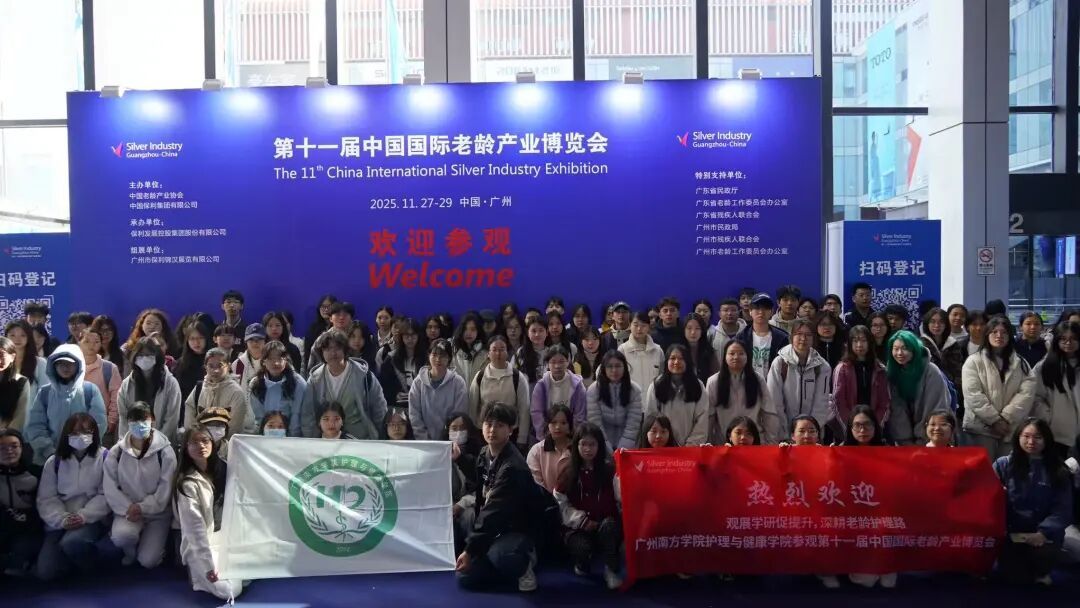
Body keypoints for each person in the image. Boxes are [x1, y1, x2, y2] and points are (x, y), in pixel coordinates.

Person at [457, 402, 539, 593]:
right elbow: (479, 480)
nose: (492, 430)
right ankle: (499, 564)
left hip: (518, 529)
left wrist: (469, 550)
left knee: (501, 556)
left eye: (500, 425)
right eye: (488, 424)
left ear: (511, 429)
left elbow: (493, 512)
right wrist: (459, 458)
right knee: (466, 577)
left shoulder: (513, 467)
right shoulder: (485, 452)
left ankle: (526, 562)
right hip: (496, 528)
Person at [993, 418, 1072, 586]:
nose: (1031, 442)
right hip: (1010, 533)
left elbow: (1063, 509)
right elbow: (987, 499)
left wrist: (1043, 532)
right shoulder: (1003, 465)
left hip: (1043, 536)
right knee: (1013, 578)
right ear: (1018, 437)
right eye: (1026, 436)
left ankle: (1044, 569)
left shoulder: (1058, 469)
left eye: (1037, 437)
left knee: (1044, 560)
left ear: (1047, 440)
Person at [35, 413, 111, 581]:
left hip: (91, 519)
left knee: (72, 543)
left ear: (94, 433)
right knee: (46, 572)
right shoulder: (53, 462)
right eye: (75, 433)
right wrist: (62, 519)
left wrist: (84, 516)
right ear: (66, 434)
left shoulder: (105, 457)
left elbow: (106, 494)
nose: (81, 437)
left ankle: (91, 568)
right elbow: (46, 499)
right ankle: (70, 561)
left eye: (86, 432)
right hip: (60, 522)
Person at [173, 425, 242, 600]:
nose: (201, 446)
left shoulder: (227, 469)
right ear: (186, 448)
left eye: (205, 440)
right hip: (205, 545)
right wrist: (208, 565)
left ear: (213, 443)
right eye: (194, 442)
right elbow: (195, 532)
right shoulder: (187, 484)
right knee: (228, 591)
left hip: (228, 539)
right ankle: (198, 574)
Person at [103, 403, 177, 568]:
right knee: (122, 537)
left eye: (144, 419)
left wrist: (143, 507)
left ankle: (154, 546)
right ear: (128, 422)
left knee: (148, 561)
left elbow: (165, 490)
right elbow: (110, 488)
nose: (139, 424)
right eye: (134, 420)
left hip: (158, 513)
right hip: (127, 511)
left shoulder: (165, 452)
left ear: (153, 420)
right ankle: (130, 551)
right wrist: (128, 508)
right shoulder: (117, 452)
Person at [554, 423, 622, 590]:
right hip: (578, 527)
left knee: (610, 527)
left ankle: (611, 570)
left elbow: (621, 498)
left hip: (605, 524)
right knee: (581, 548)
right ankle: (582, 563)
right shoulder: (568, 472)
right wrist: (582, 521)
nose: (588, 449)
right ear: (576, 445)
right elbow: (560, 504)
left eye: (592, 444)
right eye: (583, 444)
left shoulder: (610, 470)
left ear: (600, 446)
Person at [962, 317, 1036, 460]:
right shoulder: (973, 361)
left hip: (1010, 428)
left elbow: (1026, 393)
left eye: (1004, 332)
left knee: (1007, 469)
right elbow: (973, 394)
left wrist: (1006, 418)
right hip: (980, 429)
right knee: (982, 469)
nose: (999, 336)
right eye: (994, 332)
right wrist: (994, 420)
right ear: (987, 334)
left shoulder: (1021, 363)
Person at [25, 345, 107, 465]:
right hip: (50, 460)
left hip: (85, 459)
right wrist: (50, 452)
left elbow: (99, 423)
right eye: (60, 363)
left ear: (79, 365)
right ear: (53, 366)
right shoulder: (45, 393)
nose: (65, 367)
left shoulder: (89, 390)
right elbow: (36, 426)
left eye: (70, 363)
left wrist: (83, 450)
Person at [301, 329, 387, 439]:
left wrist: (379, 437)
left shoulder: (364, 375)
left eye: (337, 348)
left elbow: (379, 408)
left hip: (360, 439)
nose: (333, 353)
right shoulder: (315, 379)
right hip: (327, 440)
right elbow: (307, 414)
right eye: (328, 349)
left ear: (345, 349)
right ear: (321, 352)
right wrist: (312, 440)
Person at [768, 319, 832, 438]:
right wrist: (786, 433)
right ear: (791, 337)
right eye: (799, 334)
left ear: (814, 338)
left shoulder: (822, 366)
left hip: (812, 435)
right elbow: (775, 402)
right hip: (783, 432)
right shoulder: (780, 363)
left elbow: (821, 404)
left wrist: (810, 431)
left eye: (808, 335)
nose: (803, 338)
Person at [885, 330, 950, 446]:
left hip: (932, 438)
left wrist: (923, 438)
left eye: (905, 348)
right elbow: (897, 410)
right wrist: (904, 440)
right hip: (905, 442)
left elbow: (935, 408)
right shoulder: (892, 372)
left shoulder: (931, 371)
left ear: (914, 349)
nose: (899, 353)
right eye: (895, 349)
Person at [706, 340, 775, 444]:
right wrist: (708, 443)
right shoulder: (713, 382)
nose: (736, 357)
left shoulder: (758, 380)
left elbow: (768, 413)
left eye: (741, 353)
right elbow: (709, 417)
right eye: (731, 353)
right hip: (724, 442)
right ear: (725, 356)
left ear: (748, 356)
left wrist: (771, 441)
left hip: (753, 442)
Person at [116, 338, 182, 445]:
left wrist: (156, 445)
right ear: (134, 357)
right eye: (141, 355)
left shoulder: (171, 383)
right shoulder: (126, 385)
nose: (144, 358)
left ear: (158, 356)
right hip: (134, 444)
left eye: (148, 355)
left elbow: (171, 420)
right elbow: (123, 417)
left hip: (163, 444)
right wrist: (127, 444)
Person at [468, 336, 531, 446]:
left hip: (510, 433)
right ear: (488, 353)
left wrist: (522, 437)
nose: (498, 353)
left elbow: (524, 410)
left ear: (507, 352)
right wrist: (472, 435)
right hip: (485, 433)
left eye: (502, 349)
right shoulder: (480, 376)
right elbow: (472, 408)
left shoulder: (517, 377)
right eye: (494, 350)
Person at [831, 326, 890, 440]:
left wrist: (874, 426)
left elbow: (884, 402)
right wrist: (852, 427)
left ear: (870, 343)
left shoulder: (880, 368)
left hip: (873, 428)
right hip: (848, 429)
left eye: (863, 341)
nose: (859, 345)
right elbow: (838, 401)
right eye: (855, 341)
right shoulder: (842, 368)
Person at [643, 344, 709, 446]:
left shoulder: (698, 386)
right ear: (667, 361)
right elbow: (650, 419)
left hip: (691, 448)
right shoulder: (656, 385)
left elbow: (702, 420)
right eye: (672, 358)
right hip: (663, 446)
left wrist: (690, 445)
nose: (676, 362)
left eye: (681, 358)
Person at [1032, 321, 1080, 458]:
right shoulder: (1044, 366)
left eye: (1073, 338)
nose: (1068, 343)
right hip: (1056, 434)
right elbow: (1035, 397)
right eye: (1063, 339)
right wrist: (1049, 417)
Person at [183, 347, 253, 437]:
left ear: (228, 366)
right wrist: (195, 436)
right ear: (205, 367)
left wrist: (216, 441)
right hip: (200, 441)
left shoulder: (236, 392)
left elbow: (234, 426)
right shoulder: (199, 388)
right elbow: (189, 415)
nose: (215, 370)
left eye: (220, 366)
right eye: (211, 366)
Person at [0, 428, 42, 576]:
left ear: (22, 448)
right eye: (2, 448)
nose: (9, 451)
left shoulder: (36, 473)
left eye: (14, 446)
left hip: (29, 530)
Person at [409, 339, 468, 441]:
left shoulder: (458, 383)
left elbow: (459, 414)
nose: (438, 359)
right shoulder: (418, 382)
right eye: (434, 354)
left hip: (450, 442)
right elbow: (414, 414)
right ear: (429, 356)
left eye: (443, 355)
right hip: (424, 442)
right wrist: (424, 439)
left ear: (449, 358)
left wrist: (448, 440)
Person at [586, 350, 643, 451]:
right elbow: (595, 422)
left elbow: (633, 424)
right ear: (604, 368)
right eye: (609, 366)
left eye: (618, 366)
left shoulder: (634, 390)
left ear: (624, 367)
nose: (614, 370)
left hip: (628, 443)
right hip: (601, 440)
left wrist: (623, 448)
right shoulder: (593, 390)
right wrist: (606, 447)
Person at [250, 340, 308, 437]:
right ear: (263, 361)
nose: (276, 363)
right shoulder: (255, 384)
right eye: (271, 359)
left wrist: (291, 440)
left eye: (280, 358)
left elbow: (297, 416)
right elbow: (259, 418)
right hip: (265, 436)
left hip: (292, 437)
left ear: (286, 360)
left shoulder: (298, 383)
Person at [530, 346, 587, 443]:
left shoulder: (577, 385)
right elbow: (537, 413)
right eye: (553, 362)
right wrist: (546, 437)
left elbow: (580, 415)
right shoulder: (541, 385)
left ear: (568, 362)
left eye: (561, 361)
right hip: (546, 434)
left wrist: (571, 437)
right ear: (548, 364)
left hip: (571, 435)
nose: (557, 366)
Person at [78, 328, 121, 446]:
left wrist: (111, 421)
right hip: (75, 426)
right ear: (79, 342)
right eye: (87, 341)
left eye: (96, 342)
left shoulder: (109, 368)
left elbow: (116, 396)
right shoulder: (72, 366)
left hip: (101, 427)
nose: (91, 345)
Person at [736, 293, 790, 381]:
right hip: (747, 384)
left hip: (774, 384)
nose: (761, 312)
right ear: (750, 311)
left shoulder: (782, 338)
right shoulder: (741, 337)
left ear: (771, 312)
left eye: (766, 308)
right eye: (757, 308)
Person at [379, 318, 428, 409]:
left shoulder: (427, 358)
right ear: (401, 337)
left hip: (423, 406)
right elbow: (383, 386)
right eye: (406, 335)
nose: (410, 339)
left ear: (418, 336)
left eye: (413, 335)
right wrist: (395, 395)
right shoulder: (390, 359)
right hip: (399, 408)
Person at [4, 319, 50, 415]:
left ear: (29, 337)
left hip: (31, 418)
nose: (17, 339)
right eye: (12, 335)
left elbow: (46, 395)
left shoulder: (40, 364)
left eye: (23, 335)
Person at [526, 404, 573, 493]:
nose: (558, 427)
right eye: (553, 422)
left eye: (563, 423)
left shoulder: (577, 449)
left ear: (569, 426)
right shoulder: (536, 451)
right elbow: (535, 484)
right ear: (548, 425)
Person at [619, 311, 665, 394]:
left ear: (648, 327)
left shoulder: (658, 350)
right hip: (631, 399)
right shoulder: (623, 350)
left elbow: (662, 378)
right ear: (630, 325)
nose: (639, 329)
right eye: (635, 325)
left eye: (643, 325)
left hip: (652, 398)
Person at [173, 320, 211, 404]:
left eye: (200, 338)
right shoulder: (180, 364)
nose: (196, 342)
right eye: (192, 339)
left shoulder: (214, 361)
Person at [0, 336, 31, 432]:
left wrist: (6, 434)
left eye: (2, 355)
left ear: (12, 357)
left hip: (7, 436)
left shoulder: (20, 382)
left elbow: (20, 416)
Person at [451, 313, 489, 388]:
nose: (468, 333)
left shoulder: (486, 354)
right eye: (465, 329)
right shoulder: (453, 352)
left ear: (478, 331)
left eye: (473, 329)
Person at [302, 294, 337, 373]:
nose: (325, 309)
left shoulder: (338, 327)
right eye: (323, 306)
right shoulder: (313, 328)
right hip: (317, 370)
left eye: (329, 306)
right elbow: (307, 353)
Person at [513, 318, 550, 392]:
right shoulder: (521, 352)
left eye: (541, 330)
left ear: (547, 333)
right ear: (528, 333)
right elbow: (514, 375)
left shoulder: (551, 352)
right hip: (526, 393)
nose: (537, 334)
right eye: (533, 331)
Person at [231, 323, 266, 395]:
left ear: (265, 341)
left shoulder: (271, 362)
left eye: (259, 339)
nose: (255, 342)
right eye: (251, 339)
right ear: (245, 341)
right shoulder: (237, 364)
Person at [683, 313, 720, 379]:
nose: (693, 332)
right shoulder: (678, 350)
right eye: (689, 328)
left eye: (697, 328)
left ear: (702, 331)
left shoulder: (709, 351)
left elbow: (715, 376)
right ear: (684, 330)